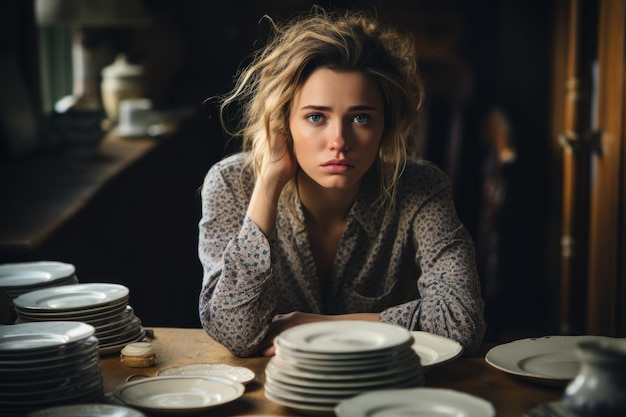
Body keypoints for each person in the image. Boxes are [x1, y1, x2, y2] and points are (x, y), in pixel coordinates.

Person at [198, 8, 486, 358]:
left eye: (360, 118)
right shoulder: (232, 184)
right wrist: (270, 181)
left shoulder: (421, 188)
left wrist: (326, 326)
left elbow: (462, 323)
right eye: (316, 117)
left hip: (387, 387)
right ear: (283, 121)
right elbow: (235, 333)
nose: (339, 140)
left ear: (385, 127)